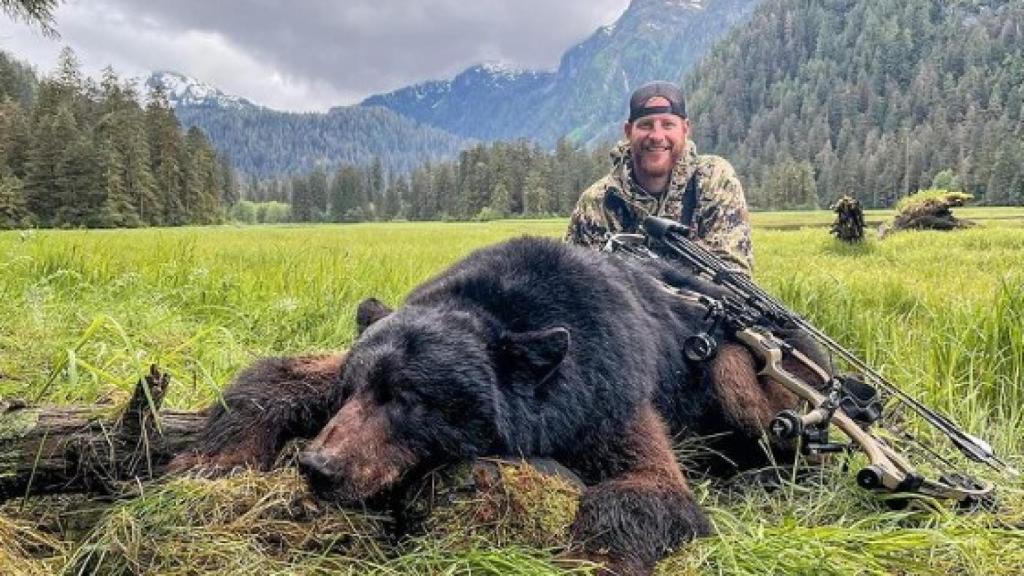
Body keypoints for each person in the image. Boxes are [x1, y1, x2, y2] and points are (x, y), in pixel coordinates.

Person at [565, 81, 754, 272]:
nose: (657, 135)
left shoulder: (714, 181)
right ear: (629, 132)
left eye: (668, 124)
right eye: (646, 125)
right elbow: (571, 280)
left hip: (694, 302)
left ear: (685, 129)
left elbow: (732, 272)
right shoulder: (597, 203)